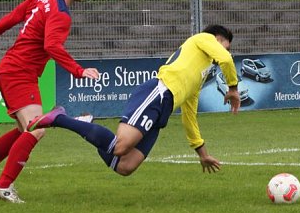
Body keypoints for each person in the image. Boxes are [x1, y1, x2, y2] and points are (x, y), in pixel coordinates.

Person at [0, 0, 101, 203]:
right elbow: (52, 46)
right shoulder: (60, 13)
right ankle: (4, 186)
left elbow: (8, 20)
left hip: (12, 68)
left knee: (23, 131)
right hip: (19, 72)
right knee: (37, 129)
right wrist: (79, 71)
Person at [27, 25, 241, 177]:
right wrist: (233, 88)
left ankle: (86, 124)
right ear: (215, 38)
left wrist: (202, 154)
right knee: (120, 147)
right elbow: (225, 59)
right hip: (157, 93)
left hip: (162, 114)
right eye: (225, 45)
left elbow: (189, 117)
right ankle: (60, 118)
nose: (225, 50)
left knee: (124, 166)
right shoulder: (202, 39)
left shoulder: (199, 75)